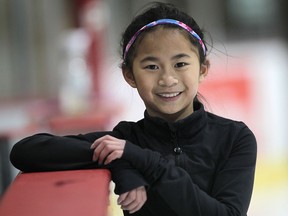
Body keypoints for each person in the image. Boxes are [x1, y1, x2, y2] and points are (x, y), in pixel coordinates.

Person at [10, 2, 257, 216]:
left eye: (180, 64)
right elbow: (25, 151)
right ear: (129, 75)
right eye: (151, 67)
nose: (167, 79)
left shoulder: (235, 138)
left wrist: (143, 160)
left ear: (203, 69)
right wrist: (122, 164)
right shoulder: (125, 140)